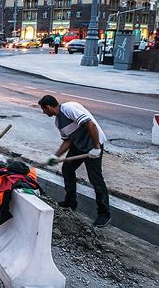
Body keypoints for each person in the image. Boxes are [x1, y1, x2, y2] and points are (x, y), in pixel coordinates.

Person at [38, 95, 111, 228]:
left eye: (44, 110)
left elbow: (90, 124)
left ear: (48, 107)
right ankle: (70, 202)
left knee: (96, 179)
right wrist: (55, 156)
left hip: (93, 145)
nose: (44, 112)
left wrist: (96, 148)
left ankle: (104, 214)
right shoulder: (58, 122)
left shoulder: (69, 108)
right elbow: (68, 140)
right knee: (67, 169)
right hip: (79, 146)